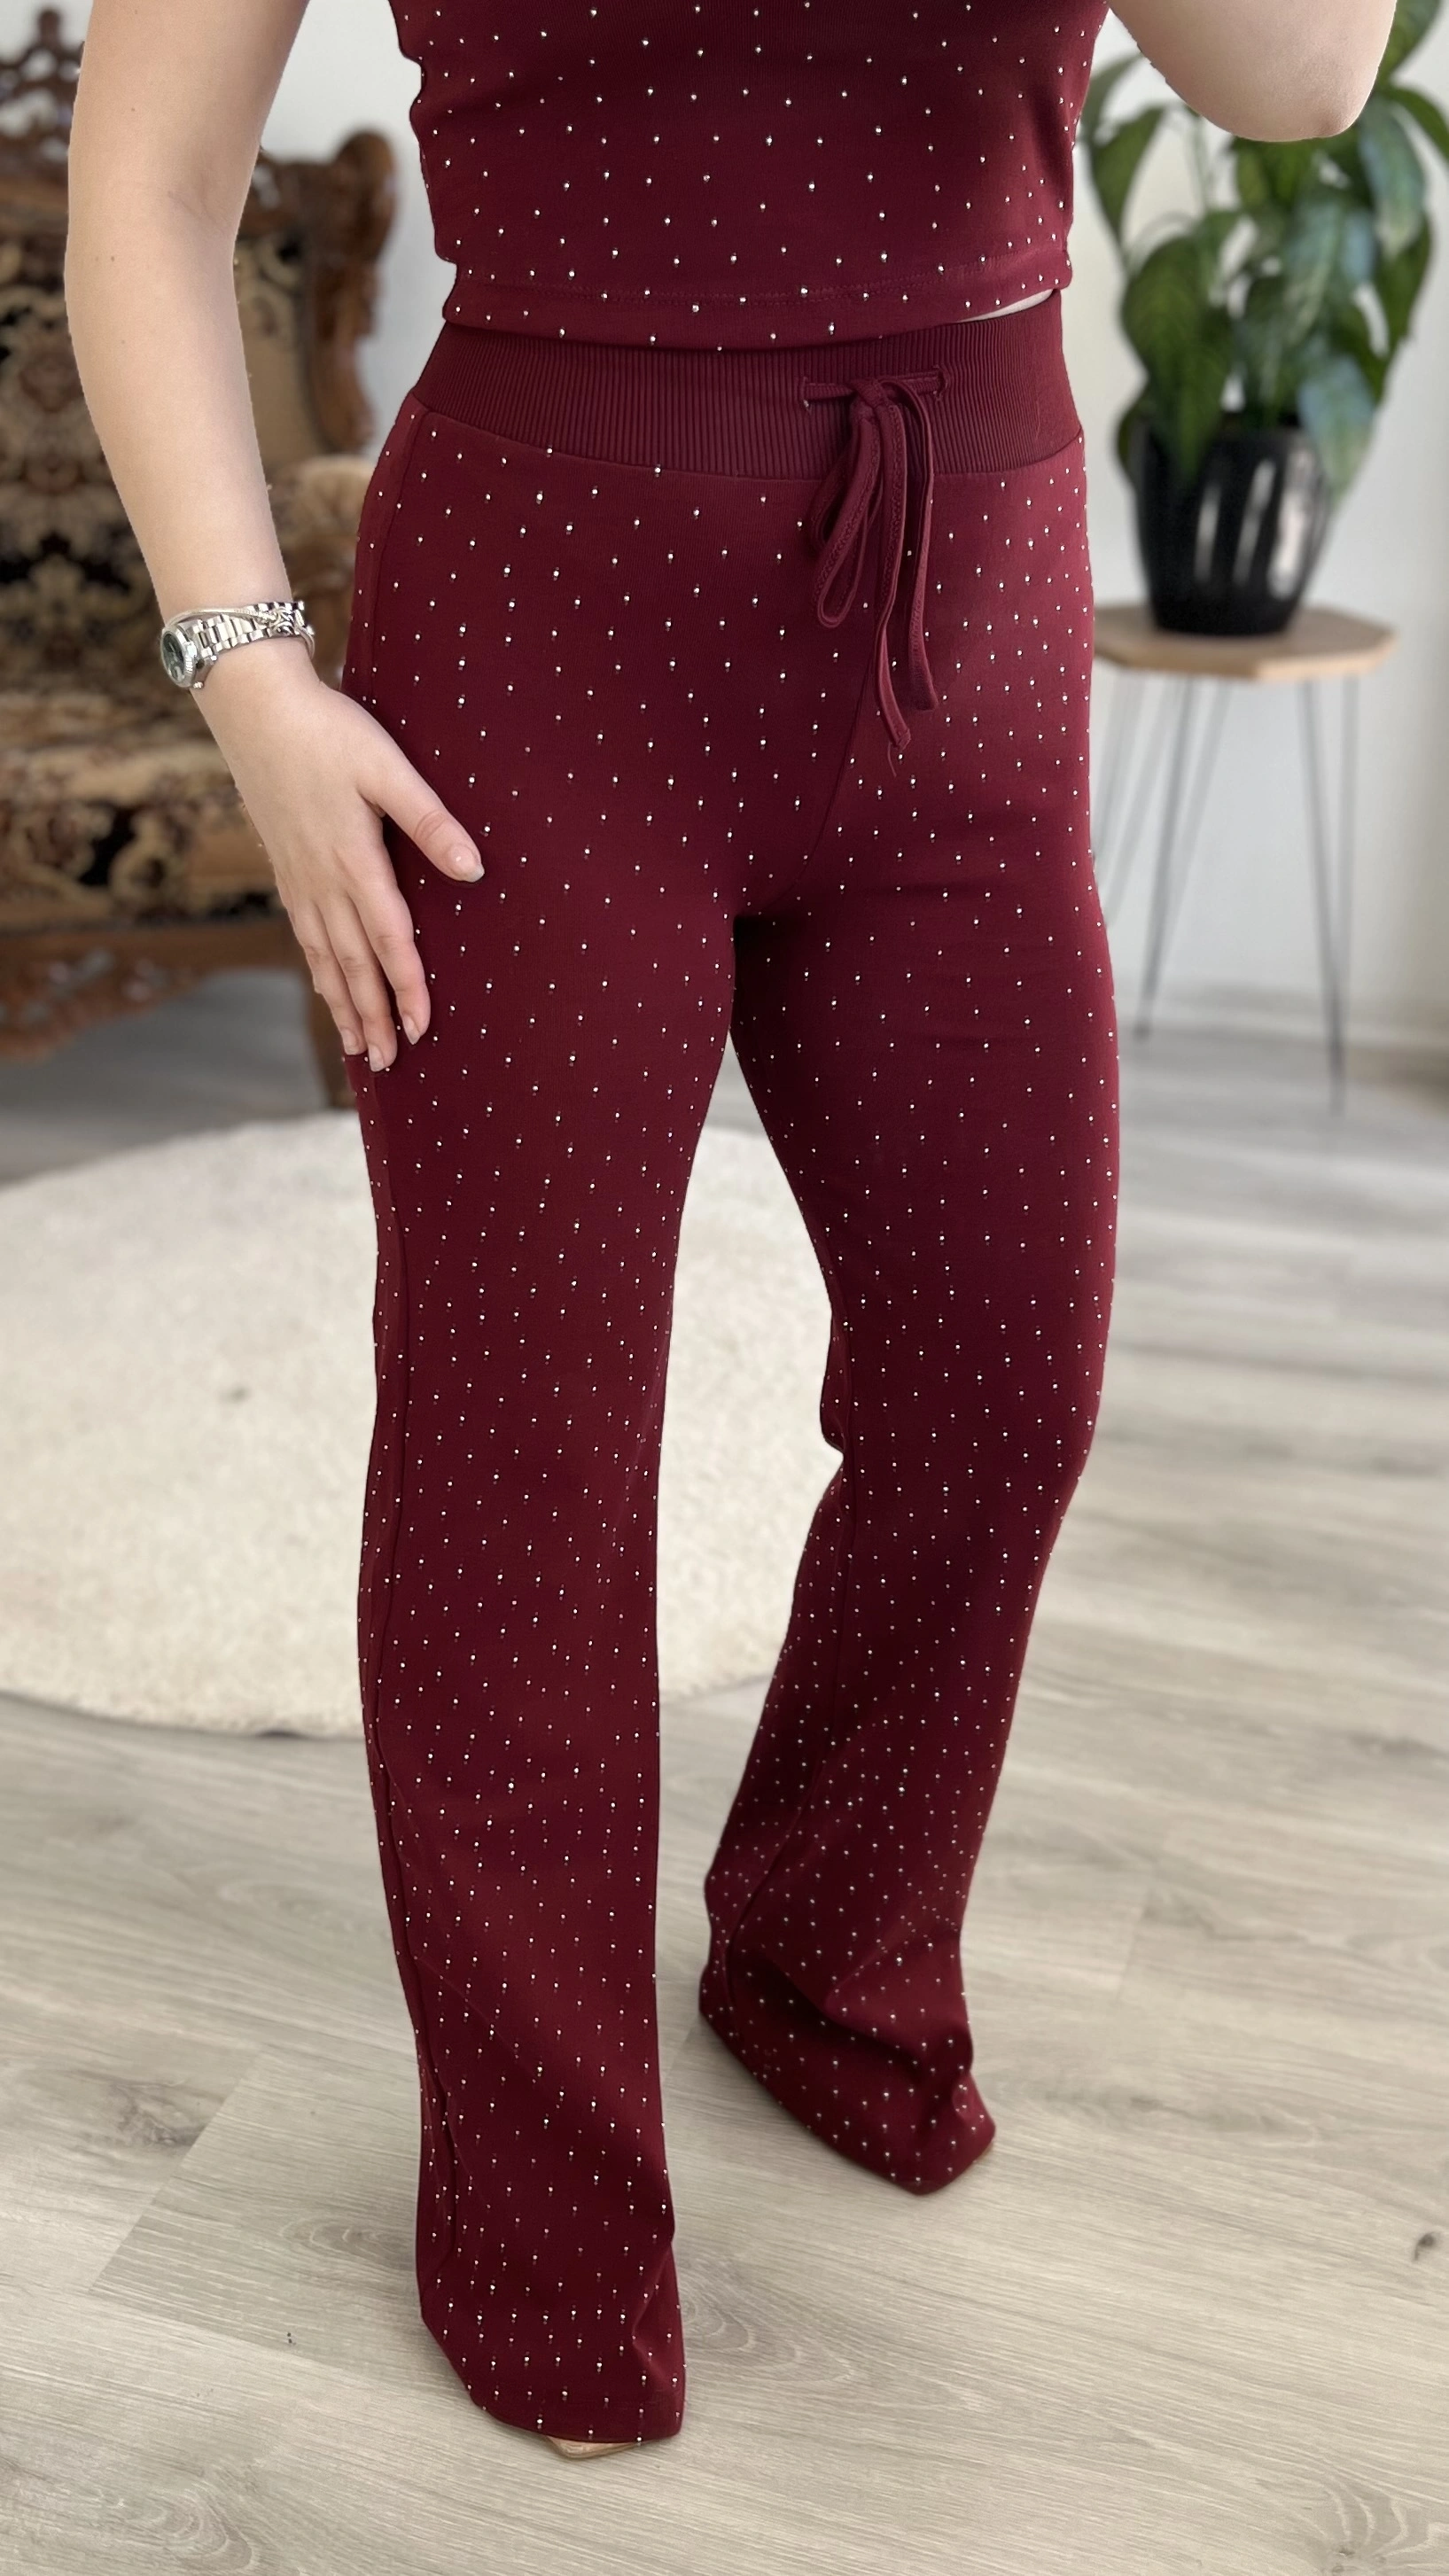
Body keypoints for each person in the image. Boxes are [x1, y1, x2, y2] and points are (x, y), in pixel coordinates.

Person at [66, 0, 1398, 2463]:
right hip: (542, 635)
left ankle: (819, 1951)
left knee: (1003, 1378)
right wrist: (249, 678)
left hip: (966, 596)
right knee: (525, 1461)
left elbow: (1304, 82)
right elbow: (145, 183)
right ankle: (541, 2198)